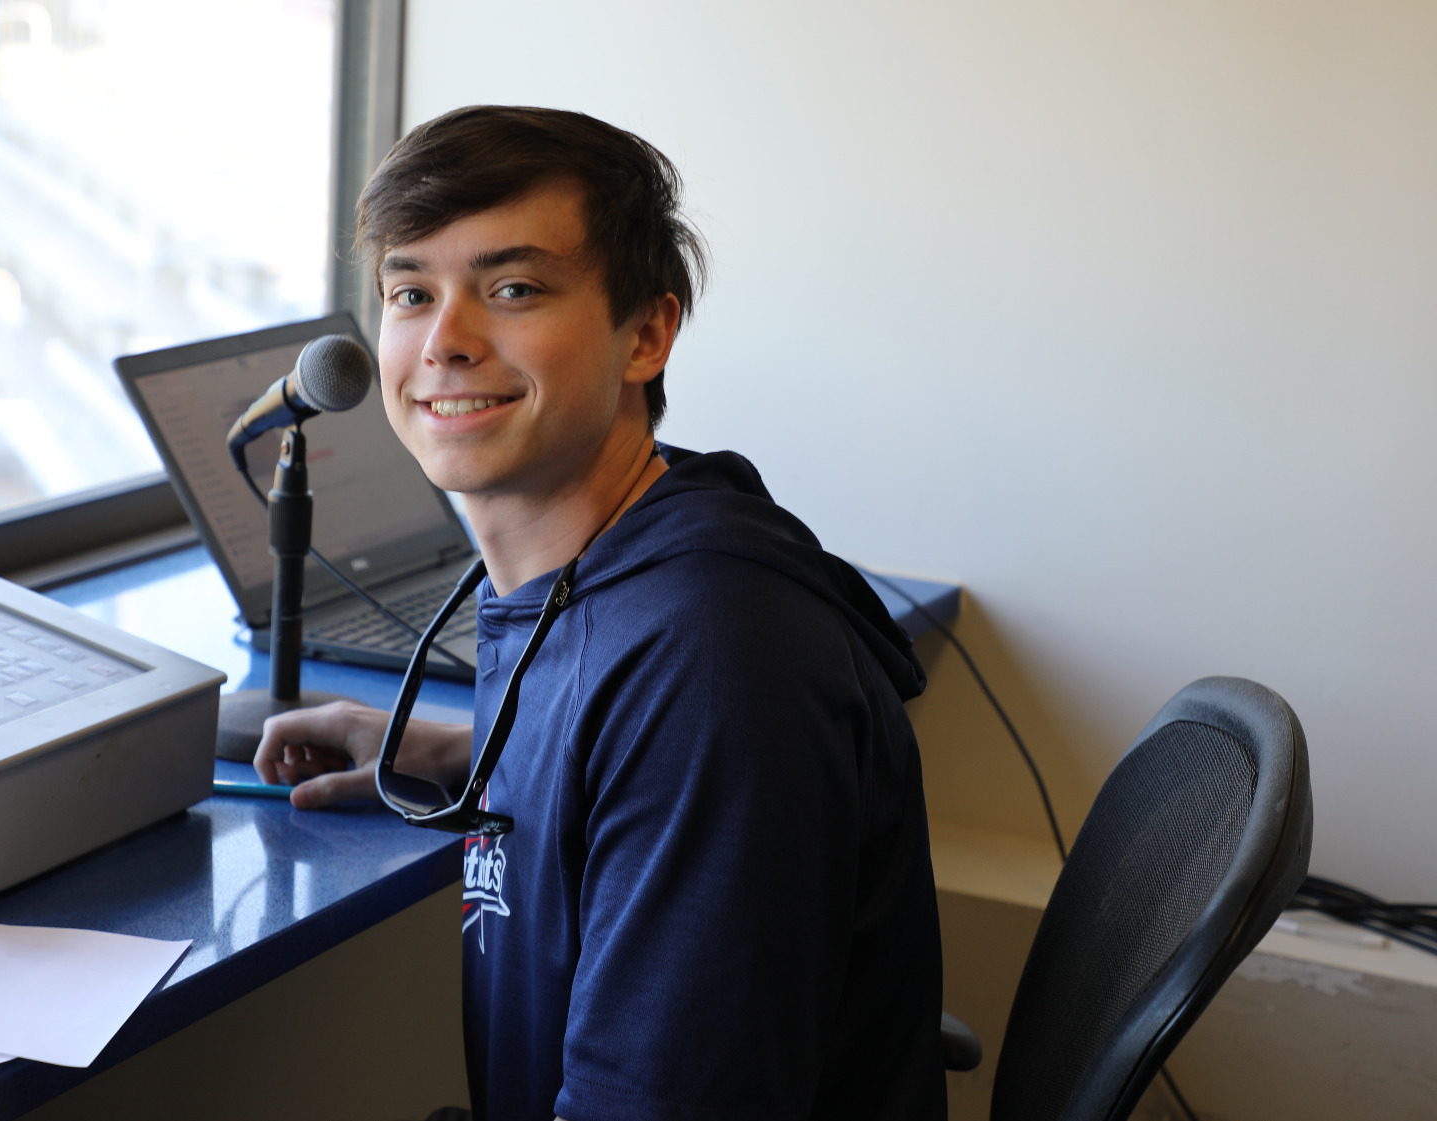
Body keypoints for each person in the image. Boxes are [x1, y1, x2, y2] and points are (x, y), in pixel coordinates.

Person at [254, 106, 945, 1120]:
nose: (443, 341)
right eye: (411, 291)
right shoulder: (618, 571)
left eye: (512, 288)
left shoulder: (709, 666)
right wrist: (485, 745)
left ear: (646, 333)